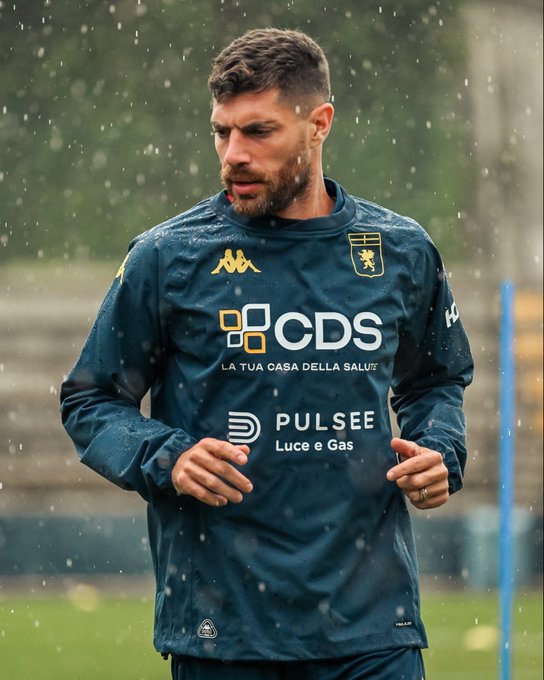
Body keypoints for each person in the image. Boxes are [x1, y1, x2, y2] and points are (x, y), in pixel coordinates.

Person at [60, 28, 473, 680]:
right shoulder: (167, 257)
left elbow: (435, 380)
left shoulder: (401, 250)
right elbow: (90, 399)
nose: (234, 154)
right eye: (221, 132)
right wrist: (168, 457)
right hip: (224, 629)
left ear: (319, 124)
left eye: (258, 131)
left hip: (371, 628)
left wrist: (439, 451)